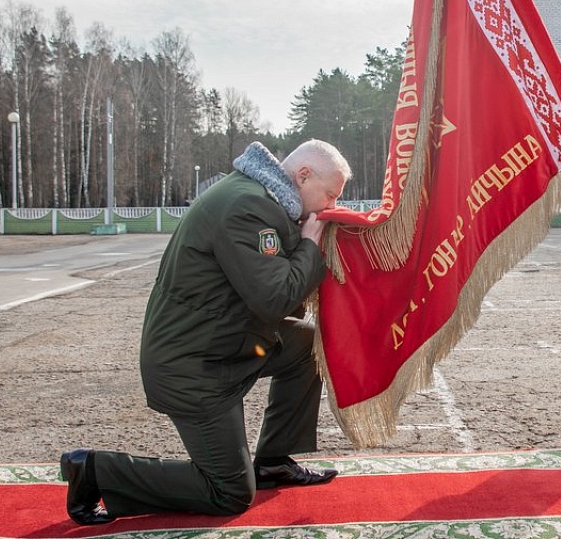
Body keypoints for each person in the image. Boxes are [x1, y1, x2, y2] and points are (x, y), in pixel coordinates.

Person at [59, 139, 352, 525]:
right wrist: (310, 246)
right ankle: (96, 471)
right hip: (194, 367)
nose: (330, 207)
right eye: (329, 195)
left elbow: (279, 296)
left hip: (226, 343)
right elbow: (276, 298)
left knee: (308, 343)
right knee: (228, 493)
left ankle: (273, 461)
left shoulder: (258, 195)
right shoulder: (249, 206)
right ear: (302, 176)